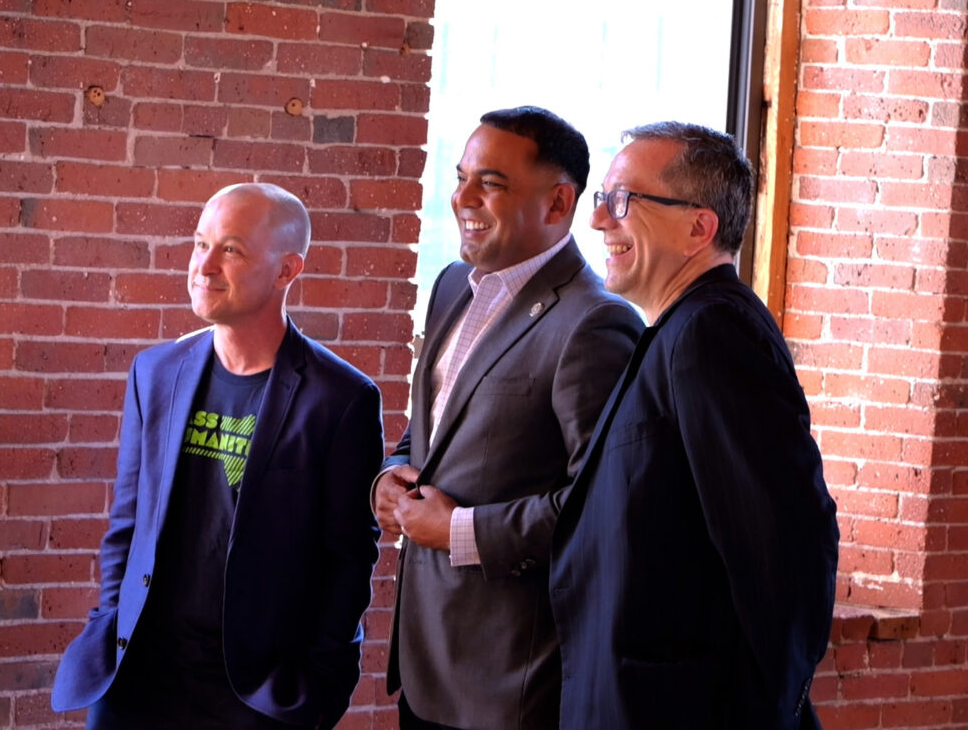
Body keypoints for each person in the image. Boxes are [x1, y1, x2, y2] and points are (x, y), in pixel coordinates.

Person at [51, 183, 383, 729]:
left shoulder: (340, 399)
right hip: (138, 679)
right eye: (200, 243)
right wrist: (110, 619)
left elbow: (348, 559)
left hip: (256, 694)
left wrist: (319, 687)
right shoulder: (155, 373)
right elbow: (127, 524)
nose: (204, 266)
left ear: (286, 271)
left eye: (231, 250)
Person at [549, 122, 840, 729]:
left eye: (622, 200)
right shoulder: (677, 328)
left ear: (699, 228)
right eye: (601, 199)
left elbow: (783, 546)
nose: (599, 220)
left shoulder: (712, 334)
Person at [373, 106, 644, 729]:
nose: (462, 196)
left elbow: (601, 507)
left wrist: (459, 530)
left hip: (512, 686)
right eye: (462, 175)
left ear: (557, 204)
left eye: (490, 183)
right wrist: (390, 476)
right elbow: (432, 434)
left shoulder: (595, 323)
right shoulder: (450, 285)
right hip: (424, 666)